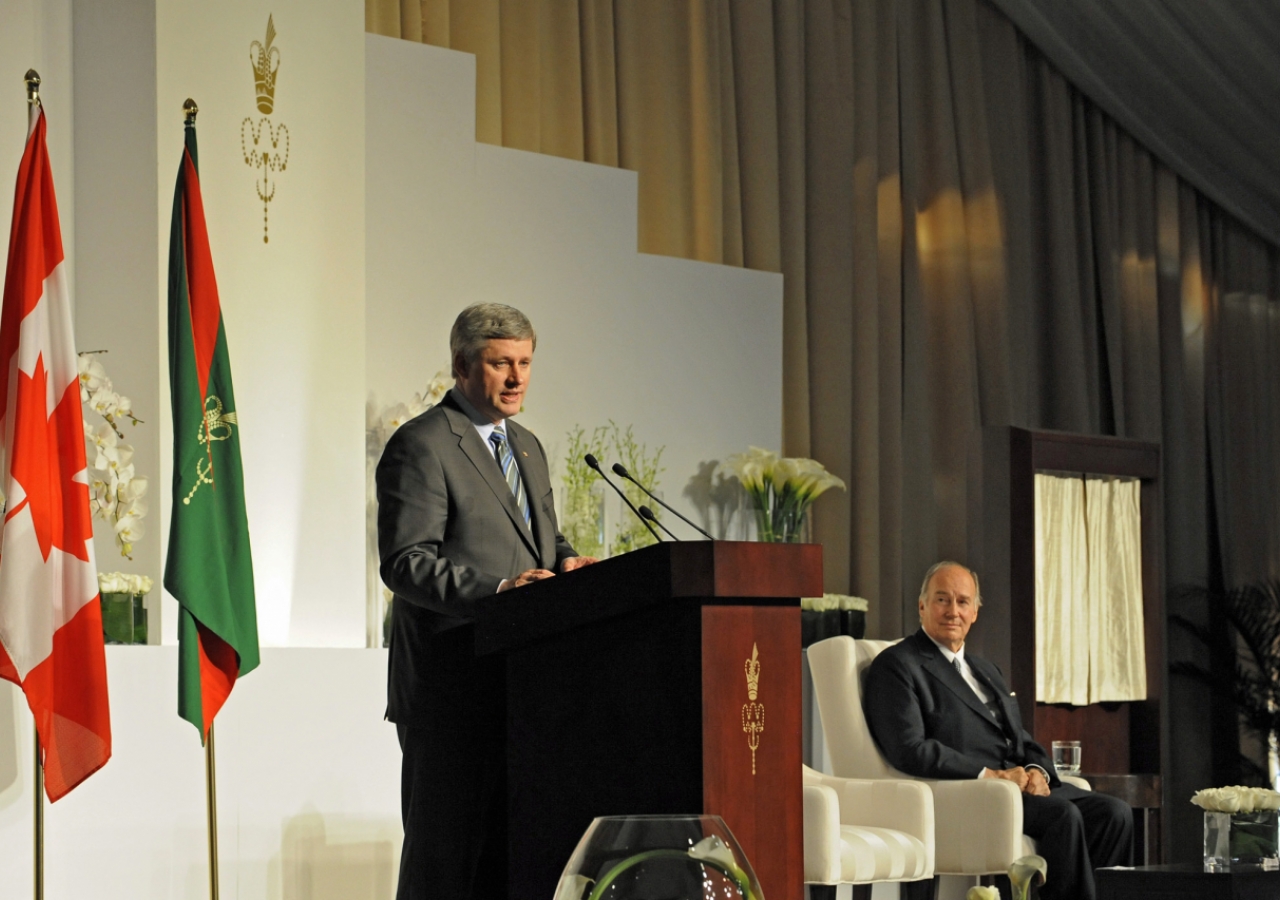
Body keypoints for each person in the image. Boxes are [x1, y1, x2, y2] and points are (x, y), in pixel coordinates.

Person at [376, 303, 597, 900]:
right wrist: (499, 593)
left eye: (525, 362)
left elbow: (541, 538)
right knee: (444, 864)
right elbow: (405, 562)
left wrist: (568, 561)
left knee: (510, 860)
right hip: (451, 690)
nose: (517, 377)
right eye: (501, 363)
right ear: (462, 365)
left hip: (523, 688)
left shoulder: (526, 445)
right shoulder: (422, 444)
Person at [863, 561, 1131, 900]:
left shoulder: (985, 669)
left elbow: (1018, 737)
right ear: (922, 606)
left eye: (963, 602)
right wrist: (992, 775)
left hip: (1015, 785)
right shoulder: (899, 664)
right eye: (942, 600)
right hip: (971, 792)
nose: (953, 611)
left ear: (975, 612)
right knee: (1063, 815)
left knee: (1115, 814)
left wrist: (1037, 771)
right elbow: (909, 748)